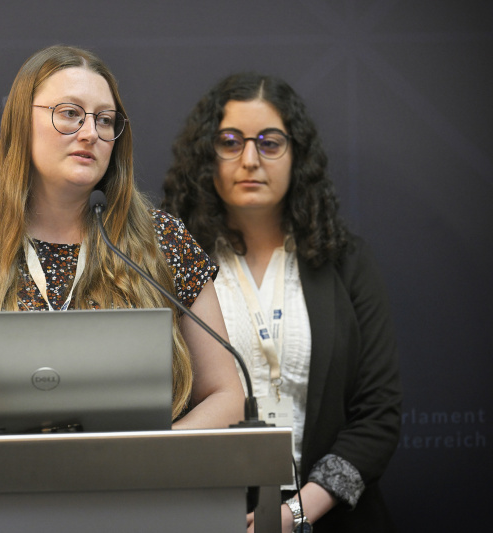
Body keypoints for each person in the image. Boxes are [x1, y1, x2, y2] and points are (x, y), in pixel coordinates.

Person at [0, 44, 244, 440]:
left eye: (105, 120)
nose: (91, 133)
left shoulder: (162, 241)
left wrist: (155, 451)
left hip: (135, 486)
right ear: (21, 124)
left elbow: (227, 396)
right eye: (70, 114)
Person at [162, 72, 402, 532]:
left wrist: (295, 515)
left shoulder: (345, 261)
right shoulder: (174, 263)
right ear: (206, 156)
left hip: (326, 516)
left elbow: (378, 415)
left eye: (269, 143)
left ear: (298, 156)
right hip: (207, 513)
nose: (249, 159)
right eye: (230, 141)